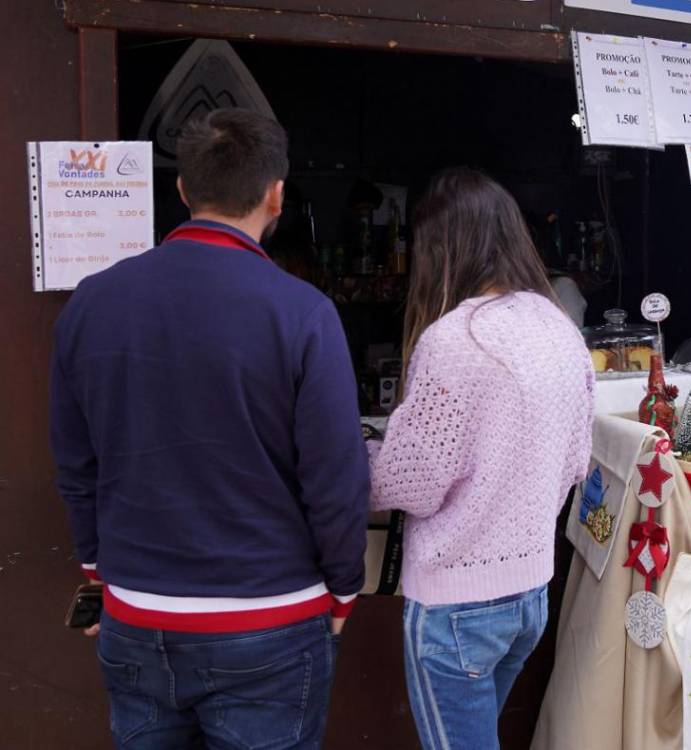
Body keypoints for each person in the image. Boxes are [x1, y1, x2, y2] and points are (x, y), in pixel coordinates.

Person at [50, 109, 368, 748]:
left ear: (182, 190)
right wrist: (343, 590)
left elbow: (75, 462)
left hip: (137, 614)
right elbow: (336, 478)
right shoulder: (304, 312)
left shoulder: (92, 300)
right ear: (277, 194)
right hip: (270, 623)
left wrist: (97, 571)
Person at [367, 168, 594, 750]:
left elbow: (409, 483)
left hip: (455, 604)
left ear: (442, 247)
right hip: (530, 595)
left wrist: (358, 455)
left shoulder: (453, 339)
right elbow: (576, 461)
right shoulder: (559, 327)